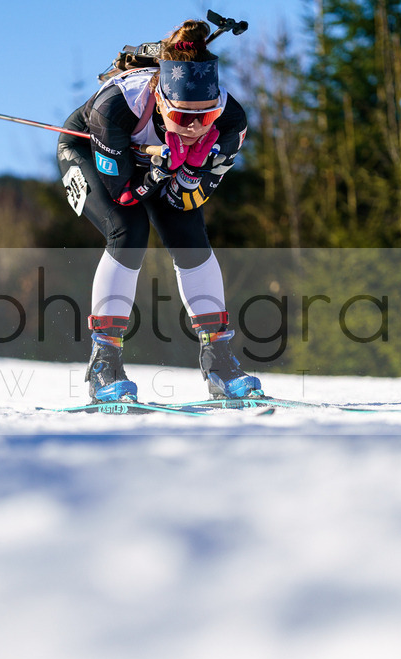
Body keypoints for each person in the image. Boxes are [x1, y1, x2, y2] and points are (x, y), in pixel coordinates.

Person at [57, 19, 262, 403]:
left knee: (190, 236)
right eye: (184, 117)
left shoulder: (232, 122)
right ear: (163, 101)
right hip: (90, 150)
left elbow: (185, 203)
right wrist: (159, 172)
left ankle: (219, 361)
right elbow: (124, 196)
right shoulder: (115, 107)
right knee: (128, 231)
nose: (196, 128)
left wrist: (190, 175)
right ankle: (105, 365)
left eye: (206, 117)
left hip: (156, 165)